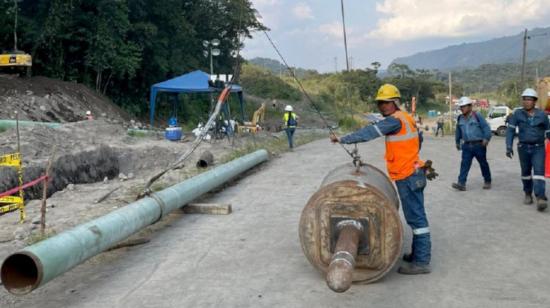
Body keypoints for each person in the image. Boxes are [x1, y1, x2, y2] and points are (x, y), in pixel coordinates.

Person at [330, 84, 431, 275]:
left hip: (408, 175)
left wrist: (343, 139)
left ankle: (422, 261)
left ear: (395, 103)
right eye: (380, 104)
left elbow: (370, 132)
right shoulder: (406, 118)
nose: (382, 107)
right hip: (412, 172)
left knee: (416, 218)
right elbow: (418, 141)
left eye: (386, 103)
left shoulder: (394, 121)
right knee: (415, 216)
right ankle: (418, 254)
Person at [506, 88, 549, 211]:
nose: (526, 102)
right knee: (525, 173)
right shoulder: (517, 114)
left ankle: (541, 197)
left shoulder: (542, 115)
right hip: (523, 148)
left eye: (529, 99)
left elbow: (548, 131)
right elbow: (510, 131)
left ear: (535, 101)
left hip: (538, 148)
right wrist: (509, 146)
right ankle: (528, 194)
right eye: (524, 99)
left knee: (539, 173)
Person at [452, 97, 492, 191]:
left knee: (483, 163)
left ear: (470, 106)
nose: (462, 108)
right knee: (464, 164)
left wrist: (486, 138)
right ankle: (461, 183)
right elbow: (458, 131)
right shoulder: (460, 118)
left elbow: (486, 128)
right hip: (466, 145)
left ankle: (487, 180)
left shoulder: (477, 116)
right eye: (461, 107)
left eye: (464, 106)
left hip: (479, 145)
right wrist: (457, 141)